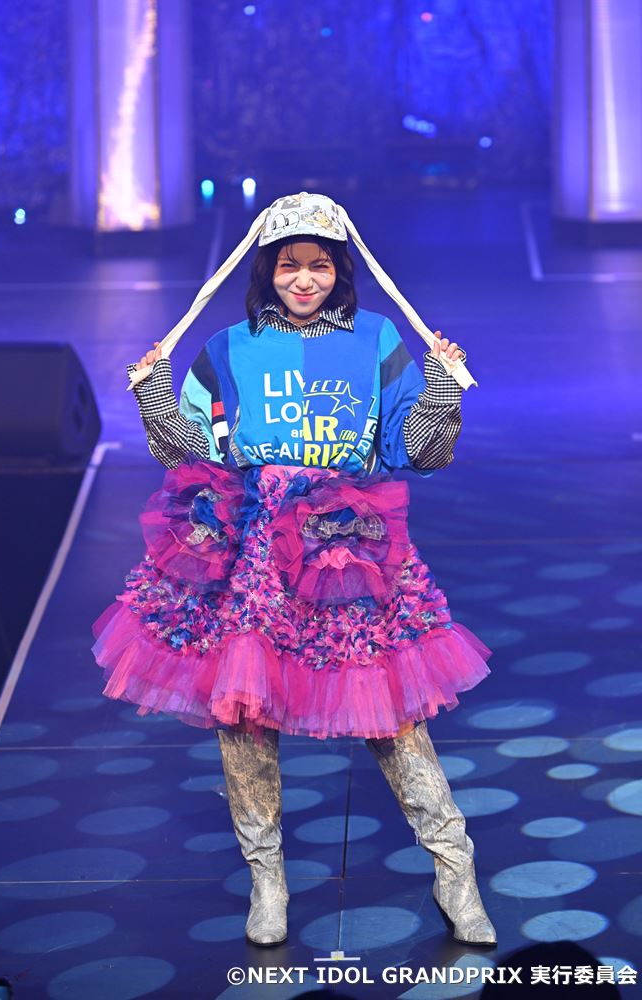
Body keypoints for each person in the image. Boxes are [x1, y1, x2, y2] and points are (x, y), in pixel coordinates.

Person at [92, 192, 496, 949]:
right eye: (288, 265)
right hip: (252, 546)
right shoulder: (228, 346)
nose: (304, 279)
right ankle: (267, 880)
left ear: (340, 271)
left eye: (319, 265)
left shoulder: (377, 339)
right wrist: (154, 394)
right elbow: (190, 454)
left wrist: (442, 386)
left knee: (390, 711)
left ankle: (455, 867)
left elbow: (419, 453)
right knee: (243, 715)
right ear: (266, 272)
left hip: (346, 544)